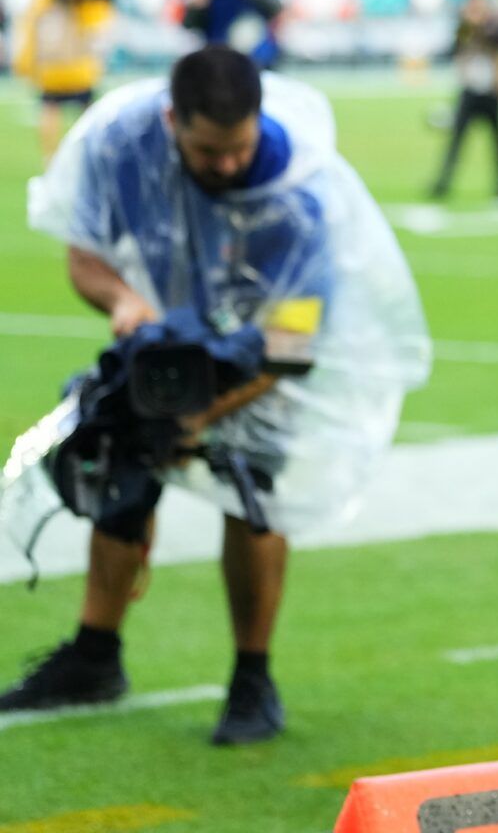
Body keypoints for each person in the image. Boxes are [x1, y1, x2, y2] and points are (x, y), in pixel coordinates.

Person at [0, 47, 429, 743]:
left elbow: (292, 346)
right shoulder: (119, 144)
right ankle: (94, 656)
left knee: (257, 496)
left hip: (263, 351)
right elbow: (83, 252)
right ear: (172, 120)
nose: (226, 165)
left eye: (238, 148)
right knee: (121, 470)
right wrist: (124, 304)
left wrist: (203, 415)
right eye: (207, 150)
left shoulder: (302, 198)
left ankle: (252, 679)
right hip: (161, 326)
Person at [11, 0, 114, 161]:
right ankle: (91, 150)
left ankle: (50, 156)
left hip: (53, 70)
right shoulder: (85, 3)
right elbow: (98, 33)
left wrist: (25, 65)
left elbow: (30, 37)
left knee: (51, 109)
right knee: (87, 113)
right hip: (78, 70)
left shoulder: (43, 4)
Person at [429, 0, 498, 199]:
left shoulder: (493, 25)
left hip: (491, 90)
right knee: (457, 140)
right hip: (470, 89)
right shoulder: (464, 27)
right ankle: (443, 183)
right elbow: (456, 50)